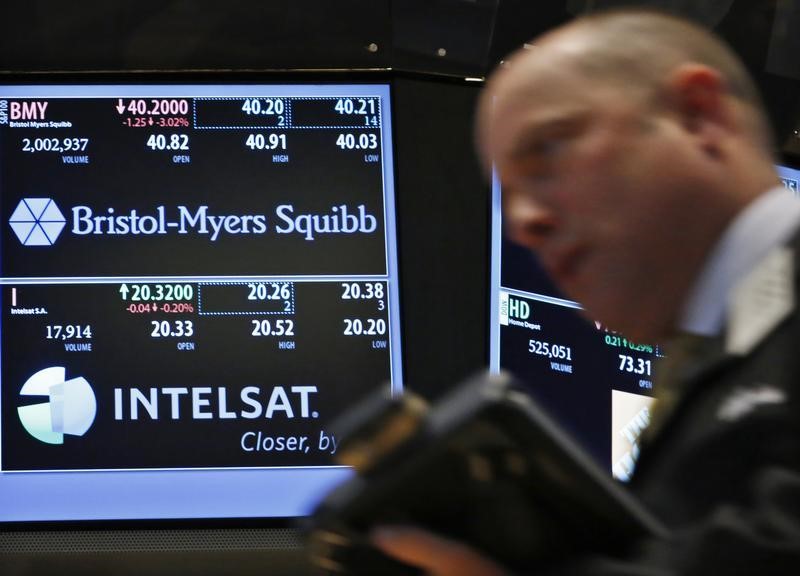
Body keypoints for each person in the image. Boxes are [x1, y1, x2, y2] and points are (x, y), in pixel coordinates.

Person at [370, 8, 800, 575]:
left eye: (548, 150)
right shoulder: (722, 363)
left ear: (698, 115)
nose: (520, 223)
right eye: (509, 190)